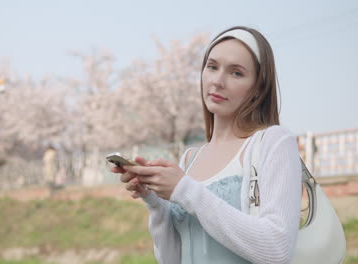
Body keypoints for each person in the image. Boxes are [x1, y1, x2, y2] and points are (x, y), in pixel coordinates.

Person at [112, 26, 302, 264]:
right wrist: (155, 202)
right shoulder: (190, 159)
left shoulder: (273, 142)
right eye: (212, 67)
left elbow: (277, 250)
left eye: (236, 73)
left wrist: (184, 190)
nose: (218, 81)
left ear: (258, 88)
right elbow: (171, 259)